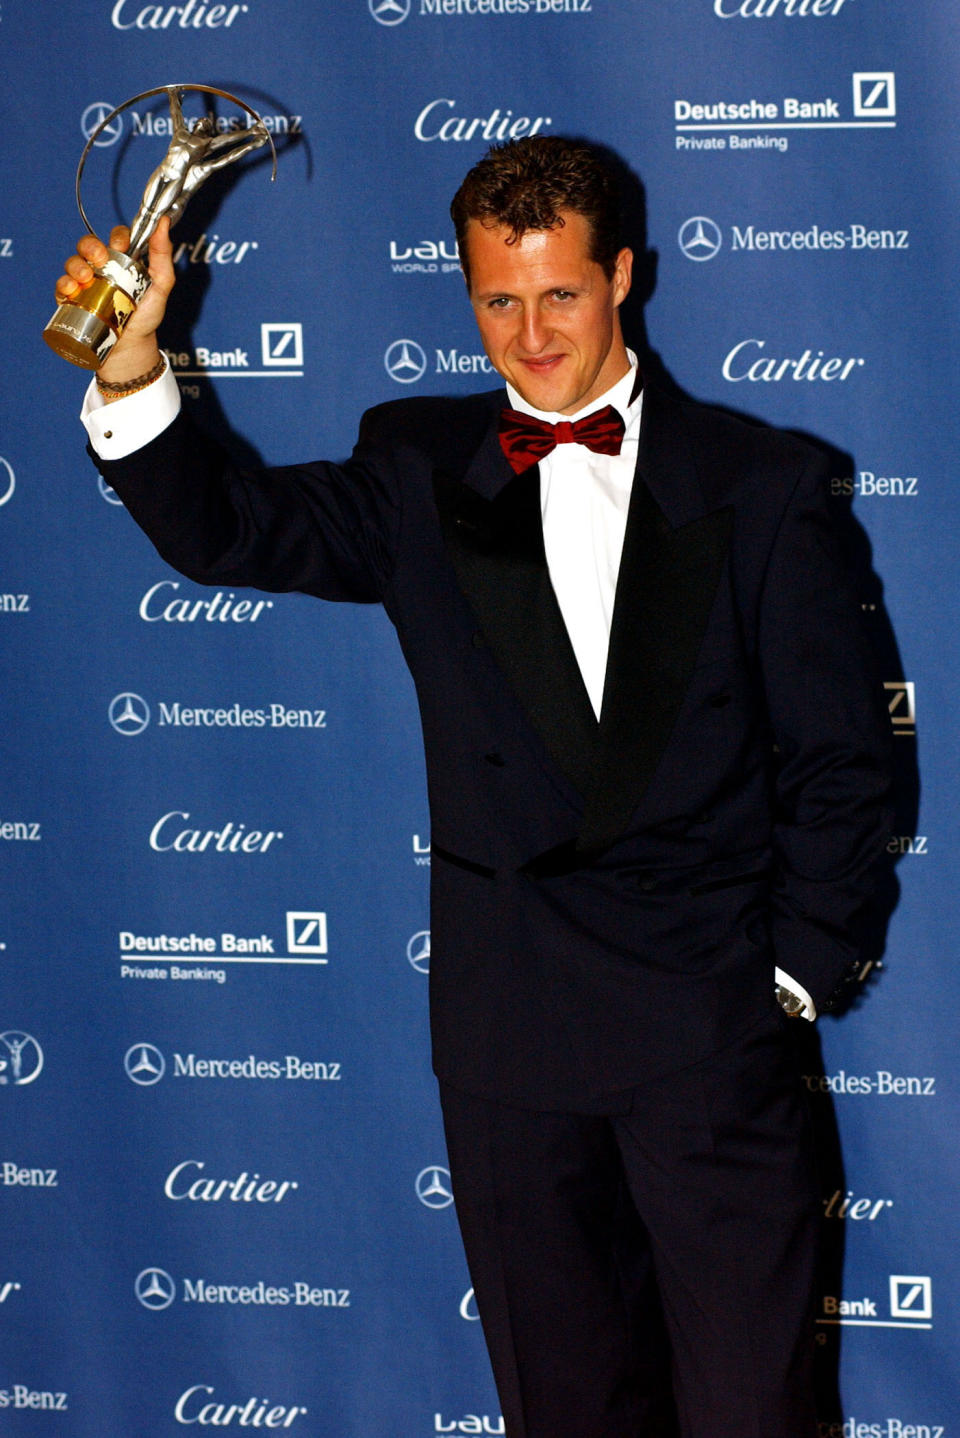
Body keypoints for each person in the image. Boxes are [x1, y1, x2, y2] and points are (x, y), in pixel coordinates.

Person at [58, 137, 892, 1437]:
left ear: (623, 275)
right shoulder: (421, 467)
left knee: (755, 1410)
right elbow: (233, 528)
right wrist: (127, 362)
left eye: (560, 294)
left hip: (707, 1037)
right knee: (566, 1411)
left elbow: (844, 762)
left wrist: (783, 978)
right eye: (498, 300)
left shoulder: (763, 483)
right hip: (513, 1042)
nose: (531, 332)